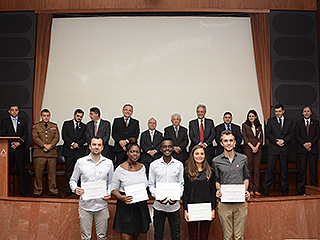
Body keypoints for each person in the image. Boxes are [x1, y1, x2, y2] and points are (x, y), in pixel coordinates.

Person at [70, 137, 114, 240]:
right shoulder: (81, 162)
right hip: (85, 206)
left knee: (102, 237)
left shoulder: (109, 163)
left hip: (102, 205)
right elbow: (72, 180)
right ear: (89, 146)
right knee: (85, 237)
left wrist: (109, 192)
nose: (96, 147)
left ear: (102, 147)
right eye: (94, 144)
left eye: (99, 145)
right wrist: (75, 189)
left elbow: (111, 182)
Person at [213, 130, 250, 240]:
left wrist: (245, 191)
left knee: (239, 237)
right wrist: (218, 191)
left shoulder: (243, 158)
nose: (228, 143)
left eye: (231, 140)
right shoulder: (216, 161)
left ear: (235, 142)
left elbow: (246, 177)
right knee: (227, 237)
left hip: (240, 203)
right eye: (226, 141)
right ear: (221, 143)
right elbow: (216, 180)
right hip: (224, 204)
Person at [112, 143, 151, 240]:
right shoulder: (120, 169)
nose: (135, 154)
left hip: (140, 203)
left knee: (138, 231)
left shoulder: (143, 167)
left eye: (137, 152)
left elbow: (146, 184)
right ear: (127, 153)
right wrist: (121, 197)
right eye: (132, 151)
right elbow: (113, 189)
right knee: (127, 233)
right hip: (126, 204)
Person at [148, 138, 184, 240]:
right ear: (160, 149)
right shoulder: (154, 165)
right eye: (164, 146)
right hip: (159, 206)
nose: (167, 149)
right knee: (158, 235)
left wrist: (177, 196)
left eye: (169, 146)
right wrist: (157, 196)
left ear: (173, 148)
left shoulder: (179, 164)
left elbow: (181, 184)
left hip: (175, 207)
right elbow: (151, 184)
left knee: (176, 235)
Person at [183, 145, 216, 240]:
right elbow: (186, 193)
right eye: (197, 153)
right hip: (192, 208)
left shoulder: (210, 172)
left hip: (206, 208)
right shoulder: (187, 172)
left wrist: (213, 209)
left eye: (202, 153)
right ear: (192, 155)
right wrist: (185, 210)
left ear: (205, 155)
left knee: (204, 237)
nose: (199, 156)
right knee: (193, 236)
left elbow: (213, 191)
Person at [263, 104, 294, 196]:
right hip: (273, 149)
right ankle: (266, 190)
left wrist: (283, 141)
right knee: (269, 170)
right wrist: (276, 141)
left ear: (283, 111)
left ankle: (284, 190)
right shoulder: (270, 121)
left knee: (284, 171)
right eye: (276, 111)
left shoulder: (289, 121)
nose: (278, 113)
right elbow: (268, 133)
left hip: (284, 149)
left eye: (279, 111)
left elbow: (291, 134)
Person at [0, 104, 28, 197]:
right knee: (7, 171)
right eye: (12, 110)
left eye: (16, 110)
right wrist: (12, 143)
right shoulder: (4, 122)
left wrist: (19, 143)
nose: (14, 112)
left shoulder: (23, 121)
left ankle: (22, 190)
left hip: (20, 151)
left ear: (18, 111)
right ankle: (5, 190)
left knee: (21, 172)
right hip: (9, 151)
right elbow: (3, 134)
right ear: (9, 111)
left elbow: (25, 134)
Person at [32, 109, 61, 198]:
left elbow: (57, 138)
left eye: (48, 115)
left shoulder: (54, 126)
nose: (46, 117)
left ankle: (53, 190)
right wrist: (44, 145)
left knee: (52, 174)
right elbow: (35, 137)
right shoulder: (36, 126)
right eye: (44, 115)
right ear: (41, 116)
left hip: (51, 153)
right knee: (38, 174)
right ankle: (37, 191)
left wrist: (50, 146)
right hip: (40, 153)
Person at [62, 109, 87, 197]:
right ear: (74, 115)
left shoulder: (84, 126)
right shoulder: (66, 124)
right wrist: (72, 144)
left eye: (81, 117)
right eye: (78, 116)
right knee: (69, 171)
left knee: (80, 172)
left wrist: (77, 144)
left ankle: (78, 190)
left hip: (79, 152)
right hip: (68, 151)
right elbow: (64, 135)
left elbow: (85, 138)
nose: (79, 118)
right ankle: (69, 190)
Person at [295, 105, 319, 195]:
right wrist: (304, 144)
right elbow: (296, 135)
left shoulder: (316, 123)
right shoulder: (298, 123)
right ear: (302, 113)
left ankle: (314, 189)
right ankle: (301, 190)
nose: (306, 112)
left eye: (308, 111)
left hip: (313, 149)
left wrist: (310, 143)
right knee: (302, 170)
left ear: (311, 113)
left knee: (313, 170)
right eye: (304, 111)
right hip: (302, 149)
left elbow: (317, 135)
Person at [241, 110, 263, 196]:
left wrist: (256, 147)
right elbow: (245, 138)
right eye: (249, 116)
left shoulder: (259, 126)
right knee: (249, 169)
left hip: (258, 149)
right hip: (248, 149)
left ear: (256, 117)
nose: (251, 118)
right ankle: (250, 188)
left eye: (253, 116)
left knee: (257, 169)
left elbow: (261, 138)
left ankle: (256, 188)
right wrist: (252, 147)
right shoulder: (245, 125)